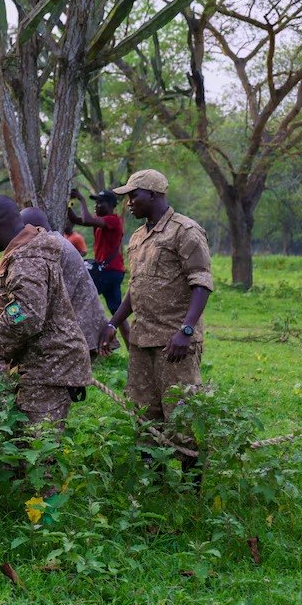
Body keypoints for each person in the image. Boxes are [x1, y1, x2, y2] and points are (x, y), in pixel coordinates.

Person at [98, 170, 213, 461]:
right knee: (144, 416)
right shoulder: (137, 237)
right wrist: (113, 322)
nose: (128, 203)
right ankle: (155, 485)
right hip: (142, 342)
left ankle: (191, 491)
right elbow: (135, 289)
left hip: (175, 345)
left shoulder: (185, 231)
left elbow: (201, 282)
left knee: (183, 416)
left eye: (133, 196)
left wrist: (186, 331)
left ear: (153, 194)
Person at [0, 196, 91, 426]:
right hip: (38, 362)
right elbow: (20, 308)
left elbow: (26, 317)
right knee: (18, 447)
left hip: (50, 365)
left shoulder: (26, 259)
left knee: (36, 449)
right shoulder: (25, 252)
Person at [20, 207, 108, 355]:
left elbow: (35, 305)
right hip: (80, 328)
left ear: (34, 228)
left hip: (78, 332)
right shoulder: (56, 242)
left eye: (21, 230)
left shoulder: (50, 247)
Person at [69, 188, 130, 346]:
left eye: (100, 203)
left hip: (109, 272)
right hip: (113, 272)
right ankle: (130, 347)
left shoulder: (113, 220)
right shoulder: (101, 221)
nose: (96, 206)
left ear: (110, 205)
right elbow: (77, 219)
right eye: (95, 203)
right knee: (118, 312)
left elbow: (87, 220)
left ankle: (98, 343)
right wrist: (67, 204)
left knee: (83, 300)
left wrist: (82, 200)